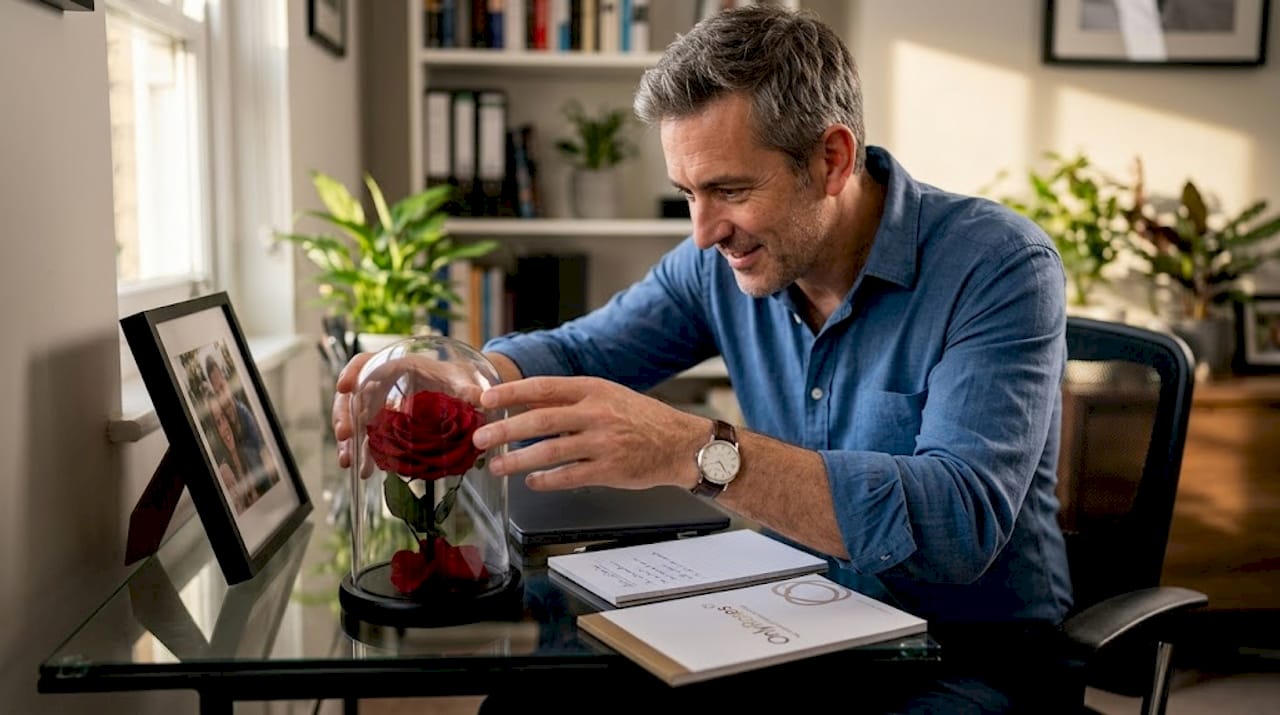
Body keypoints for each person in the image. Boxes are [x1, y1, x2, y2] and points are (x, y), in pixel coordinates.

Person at [335, 6, 1072, 711]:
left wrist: (696, 451)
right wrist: (467, 377)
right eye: (688, 192)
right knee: (533, 704)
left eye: (729, 189)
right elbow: (583, 349)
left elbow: (958, 523)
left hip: (968, 659)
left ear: (832, 158)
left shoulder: (999, 265)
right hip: (792, 628)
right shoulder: (720, 267)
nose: (703, 231)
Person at [207, 353, 279, 500]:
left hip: (260, 478)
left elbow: (261, 448)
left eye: (222, 387)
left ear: (226, 383)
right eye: (217, 392)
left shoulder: (243, 412)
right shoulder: (222, 421)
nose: (222, 395)